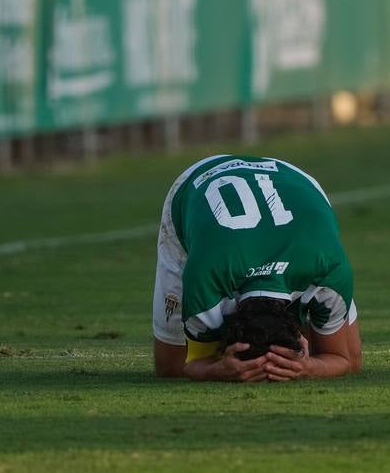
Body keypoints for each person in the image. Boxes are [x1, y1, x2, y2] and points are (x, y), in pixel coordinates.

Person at [152, 154, 363, 381]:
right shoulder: (205, 277)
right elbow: (178, 365)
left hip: (291, 180)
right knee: (170, 366)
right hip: (194, 184)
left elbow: (346, 360)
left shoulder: (328, 268)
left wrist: (308, 367)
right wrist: (216, 369)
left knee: (353, 358)